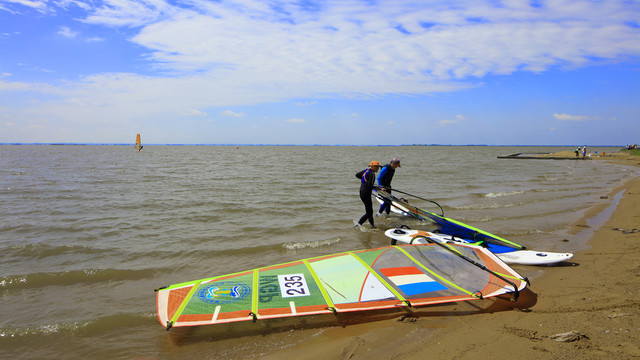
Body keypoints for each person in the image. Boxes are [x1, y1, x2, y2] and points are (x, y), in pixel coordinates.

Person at [355, 160, 381, 227]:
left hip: (362, 192)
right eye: (376, 167)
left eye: (378, 167)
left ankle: (372, 226)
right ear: (372, 166)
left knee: (369, 210)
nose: (377, 168)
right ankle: (358, 225)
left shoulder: (366, 170)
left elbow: (357, 175)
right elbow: (370, 185)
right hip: (366, 193)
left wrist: (364, 179)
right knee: (369, 212)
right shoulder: (372, 174)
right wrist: (377, 188)